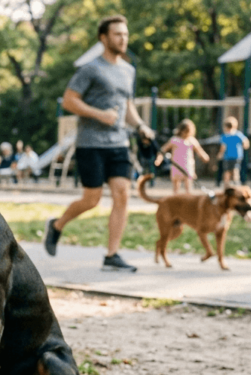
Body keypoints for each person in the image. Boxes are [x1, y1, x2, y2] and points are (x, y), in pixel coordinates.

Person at [44, 15, 155, 272]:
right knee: (92, 199)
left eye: (125, 34)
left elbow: (127, 106)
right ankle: (57, 225)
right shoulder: (90, 69)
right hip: (90, 143)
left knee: (122, 194)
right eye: (117, 34)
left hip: (119, 143)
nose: (123, 39)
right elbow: (69, 101)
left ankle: (112, 255)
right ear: (104, 38)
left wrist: (140, 126)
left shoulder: (129, 70)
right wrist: (98, 114)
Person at [159, 119, 209, 194]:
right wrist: (159, 159)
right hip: (177, 166)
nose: (187, 133)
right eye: (186, 131)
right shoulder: (174, 140)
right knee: (176, 189)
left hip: (187, 167)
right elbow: (163, 150)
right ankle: (176, 202)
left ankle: (188, 203)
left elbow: (200, 151)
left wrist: (204, 156)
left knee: (188, 188)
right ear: (181, 130)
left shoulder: (191, 140)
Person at [218, 116, 250, 184]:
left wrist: (220, 154)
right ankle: (236, 184)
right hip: (237, 156)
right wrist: (245, 146)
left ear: (226, 127)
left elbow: (223, 147)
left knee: (227, 172)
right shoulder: (238, 134)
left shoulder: (225, 136)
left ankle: (226, 186)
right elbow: (245, 141)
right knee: (235, 170)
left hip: (227, 157)